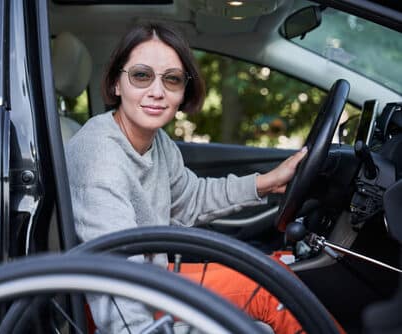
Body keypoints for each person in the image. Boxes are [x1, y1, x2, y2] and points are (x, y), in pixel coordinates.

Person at [66, 22, 309, 334]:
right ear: (116, 84)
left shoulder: (156, 141)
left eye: (172, 80)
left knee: (277, 269)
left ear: (183, 92)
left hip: (152, 278)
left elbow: (189, 199)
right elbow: (113, 282)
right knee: (274, 293)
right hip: (125, 302)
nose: (157, 91)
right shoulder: (100, 159)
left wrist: (267, 182)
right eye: (141, 75)